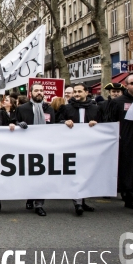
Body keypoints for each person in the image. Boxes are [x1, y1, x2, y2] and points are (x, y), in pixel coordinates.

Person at [59, 83, 99, 215]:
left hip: (89, 147)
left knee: (85, 173)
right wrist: (64, 122)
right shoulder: (66, 108)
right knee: (75, 173)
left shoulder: (95, 108)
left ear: (86, 92)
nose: (76, 94)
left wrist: (97, 124)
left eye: (79, 91)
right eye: (75, 92)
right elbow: (57, 121)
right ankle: (77, 203)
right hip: (71, 146)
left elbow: (105, 123)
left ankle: (82, 201)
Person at [16, 83, 56, 216]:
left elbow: (54, 126)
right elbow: (13, 122)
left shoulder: (49, 109)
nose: (39, 92)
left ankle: (39, 204)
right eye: (36, 90)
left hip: (44, 147)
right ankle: (30, 197)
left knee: (42, 176)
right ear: (30, 93)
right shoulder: (22, 108)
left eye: (41, 90)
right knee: (29, 175)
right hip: (27, 147)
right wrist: (18, 124)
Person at [109, 74, 133, 214]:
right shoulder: (118, 102)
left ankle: (131, 198)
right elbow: (110, 123)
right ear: (127, 86)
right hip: (126, 144)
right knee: (128, 171)